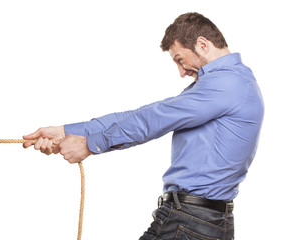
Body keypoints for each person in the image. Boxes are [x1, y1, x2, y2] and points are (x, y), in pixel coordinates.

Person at [23, 12, 264, 240]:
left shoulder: (228, 83)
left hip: (190, 221)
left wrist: (88, 144)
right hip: (203, 221)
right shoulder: (230, 83)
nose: (181, 72)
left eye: (180, 60)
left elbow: (153, 119)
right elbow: (144, 114)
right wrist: (68, 131)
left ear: (202, 44)